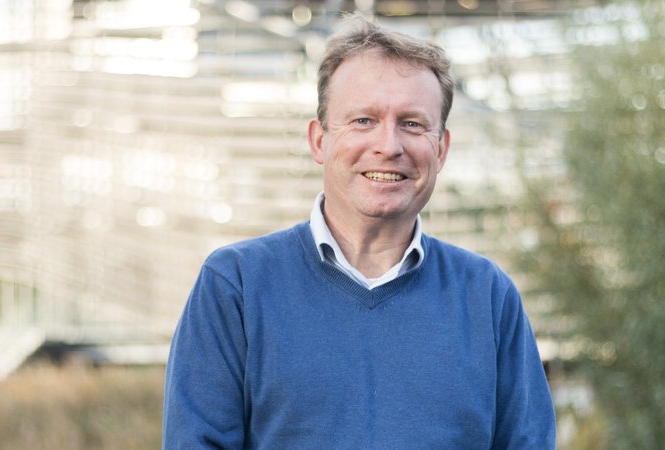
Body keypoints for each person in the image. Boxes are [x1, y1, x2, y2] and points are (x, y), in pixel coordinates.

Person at [163, 14, 556, 449]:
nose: (388, 146)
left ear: (441, 148)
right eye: (364, 120)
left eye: (412, 123)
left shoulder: (488, 297)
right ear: (319, 140)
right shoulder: (235, 286)